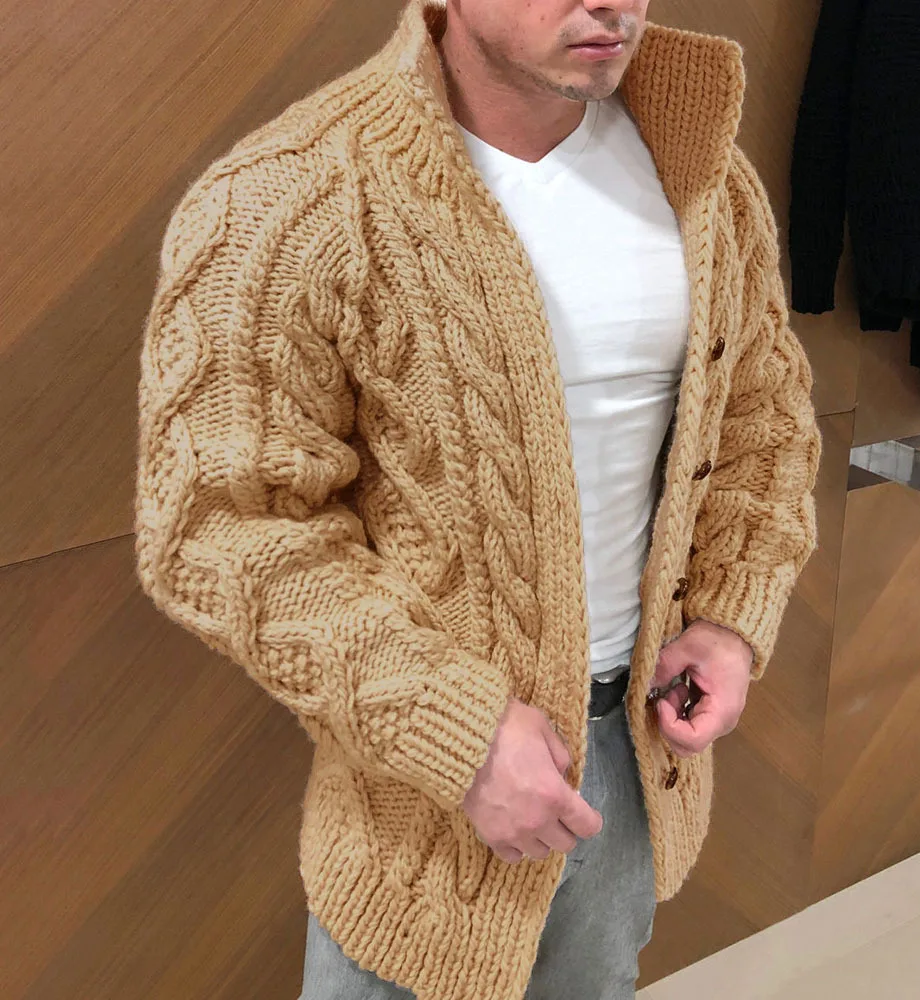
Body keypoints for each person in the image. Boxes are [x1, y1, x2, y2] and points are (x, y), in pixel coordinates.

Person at [133, 0, 822, 997]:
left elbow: (762, 419)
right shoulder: (290, 194)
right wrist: (456, 733)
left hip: (634, 756)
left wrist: (725, 621)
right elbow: (220, 526)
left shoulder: (701, 171)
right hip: (418, 799)